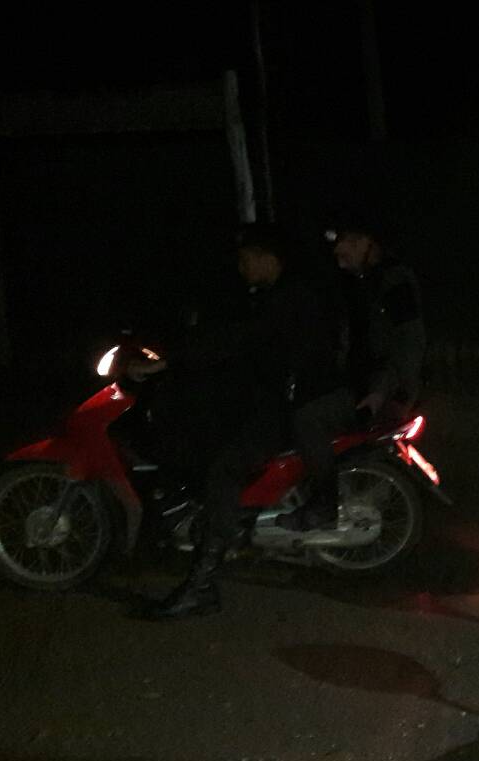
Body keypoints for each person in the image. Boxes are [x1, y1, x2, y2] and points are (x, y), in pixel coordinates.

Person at [134, 223, 342, 618]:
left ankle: (202, 585)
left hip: (287, 409)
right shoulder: (276, 295)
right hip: (277, 402)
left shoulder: (288, 300)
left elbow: (240, 341)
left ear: (266, 258)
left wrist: (175, 360)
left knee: (224, 470)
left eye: (246, 259)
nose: (241, 267)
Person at [277, 215, 427, 531]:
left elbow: (409, 341)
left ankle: (324, 506)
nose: (337, 251)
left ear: (365, 243)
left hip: (382, 392)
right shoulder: (362, 281)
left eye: (344, 242)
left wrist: (385, 393)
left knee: (308, 419)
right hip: (365, 385)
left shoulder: (392, 281)